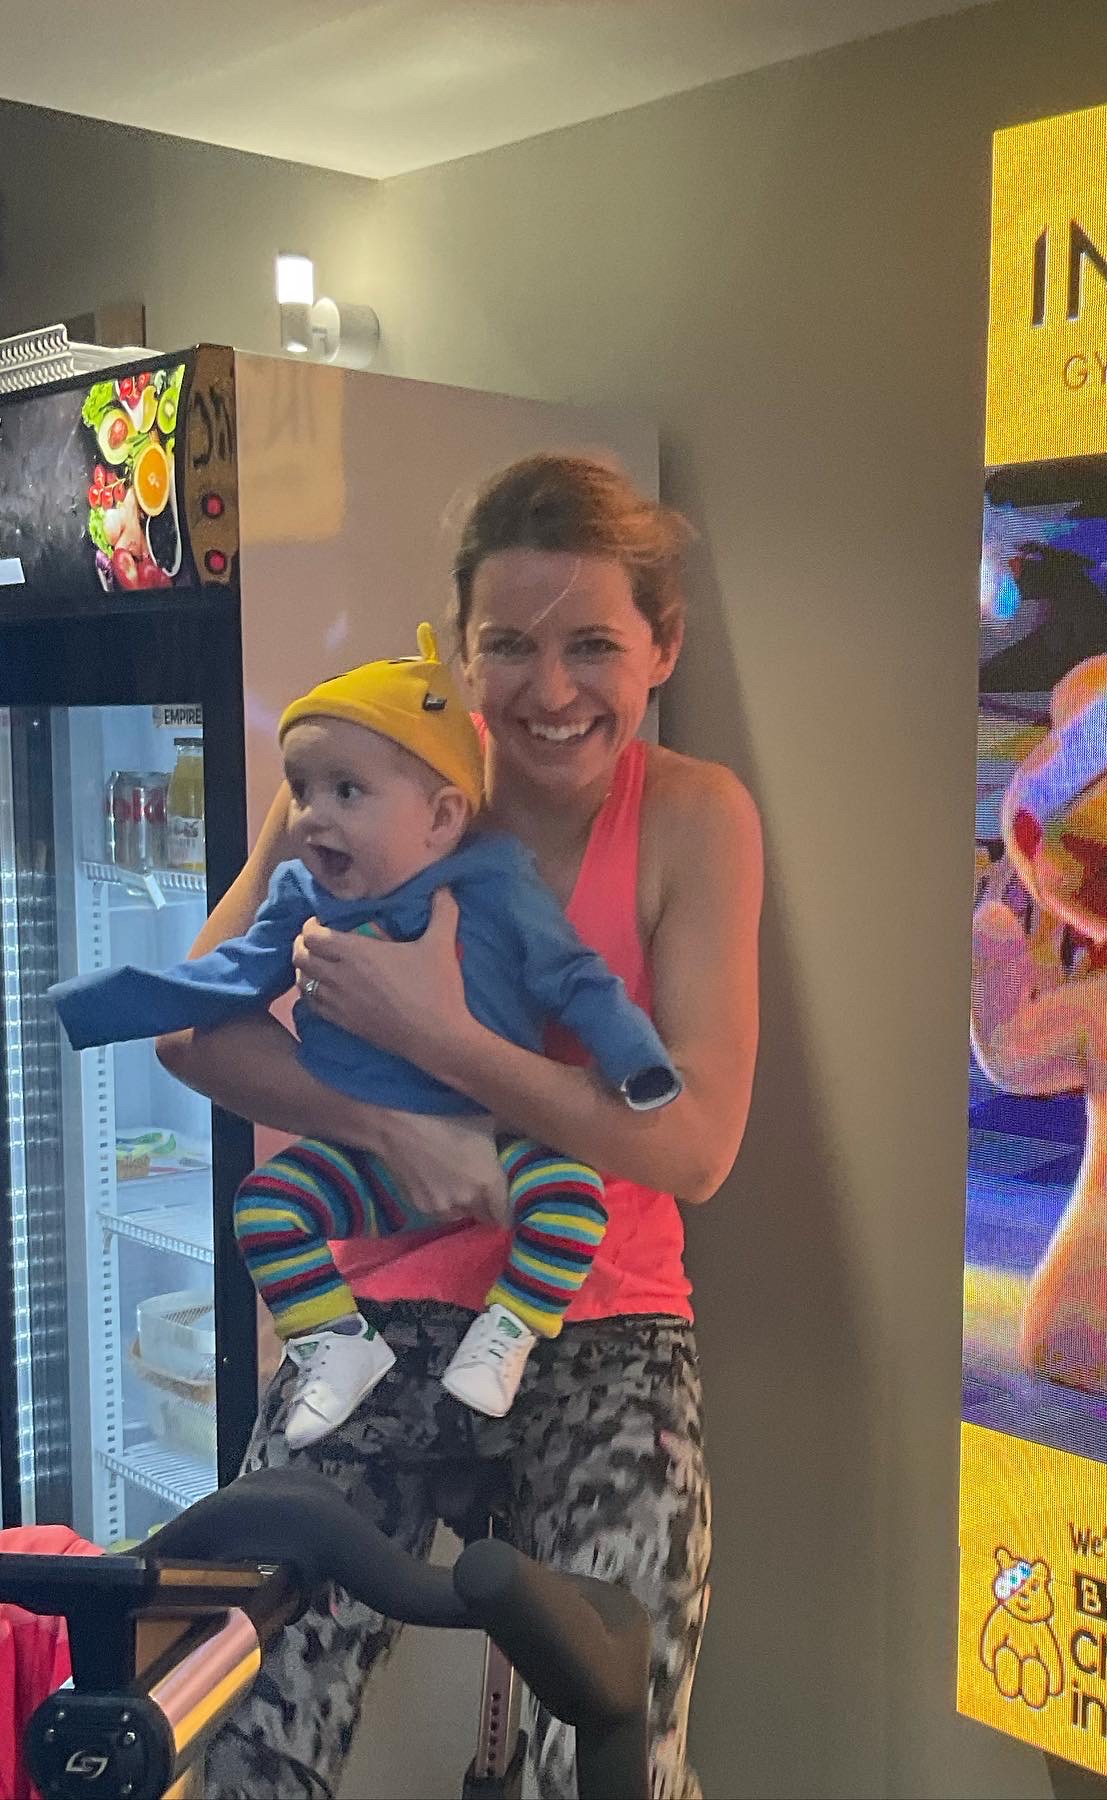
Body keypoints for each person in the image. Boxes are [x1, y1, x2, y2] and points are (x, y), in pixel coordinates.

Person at [157, 452, 763, 1800]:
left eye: (592, 644)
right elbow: (191, 1029)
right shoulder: (365, 776)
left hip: (602, 1316)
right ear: (459, 645)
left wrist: (444, 1042)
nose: (550, 690)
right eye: (510, 646)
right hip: (375, 1315)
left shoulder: (693, 819)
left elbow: (697, 1145)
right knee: (242, 1714)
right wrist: (393, 1130)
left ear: (661, 648)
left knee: (611, 1743)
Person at [49, 625, 681, 1442]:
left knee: (572, 1202)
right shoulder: (301, 896)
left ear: (442, 817)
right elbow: (228, 979)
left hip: (496, 1146)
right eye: (302, 789)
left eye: (346, 792)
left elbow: (576, 979)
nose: (312, 816)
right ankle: (334, 1343)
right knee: (265, 1207)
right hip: (365, 1165)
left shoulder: (495, 883)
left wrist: (637, 1062)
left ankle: (511, 1329)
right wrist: (106, 1004)